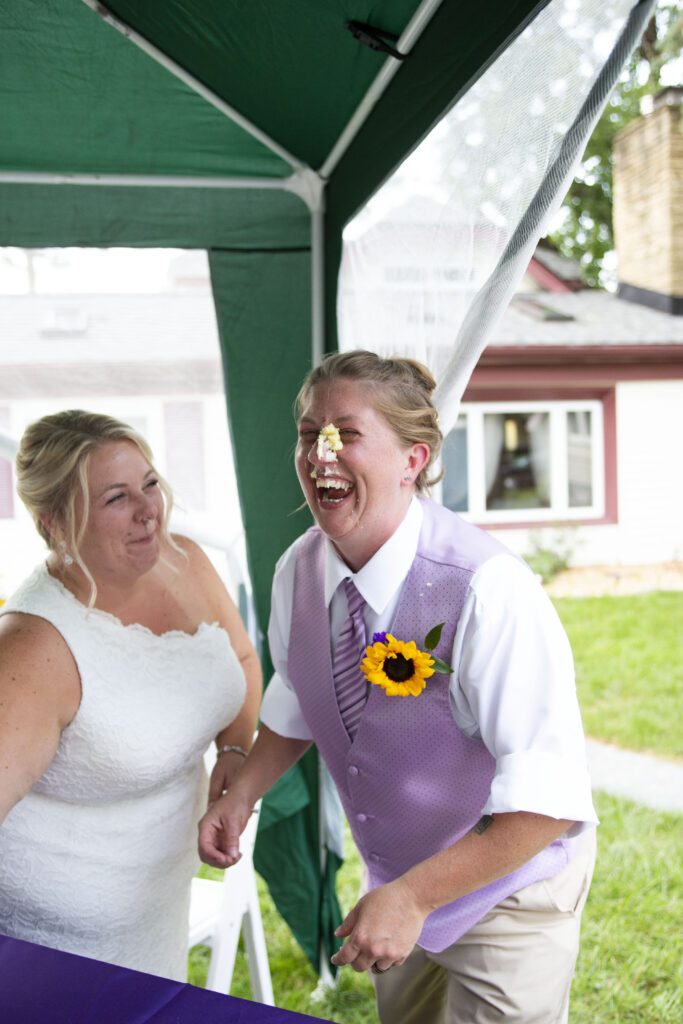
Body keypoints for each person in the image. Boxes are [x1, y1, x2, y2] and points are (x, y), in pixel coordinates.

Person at [198, 350, 598, 1024]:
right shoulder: (297, 571)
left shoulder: (486, 589)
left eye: (346, 434)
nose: (320, 454)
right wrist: (241, 794)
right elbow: (296, 705)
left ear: (413, 459)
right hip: (398, 879)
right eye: (307, 434)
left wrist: (413, 898)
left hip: (509, 892)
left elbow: (547, 801)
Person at [0, 410, 261, 981]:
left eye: (149, 484)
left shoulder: (186, 561)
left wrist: (236, 751)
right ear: (55, 525)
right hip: (56, 951)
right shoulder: (33, 647)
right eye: (117, 498)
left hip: (156, 913)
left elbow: (240, 661)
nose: (149, 511)